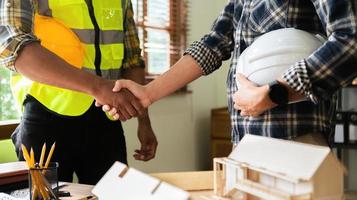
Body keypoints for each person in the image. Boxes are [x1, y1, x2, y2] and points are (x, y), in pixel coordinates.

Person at [105, 0, 357, 147]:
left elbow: (350, 42)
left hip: (295, 140)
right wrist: (148, 93)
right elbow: (213, 44)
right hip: (246, 139)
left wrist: (274, 94)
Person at [0, 0, 157, 184]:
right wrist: (98, 87)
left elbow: (132, 59)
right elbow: (13, 46)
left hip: (105, 120)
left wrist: (143, 119)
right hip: (46, 117)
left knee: (114, 194)